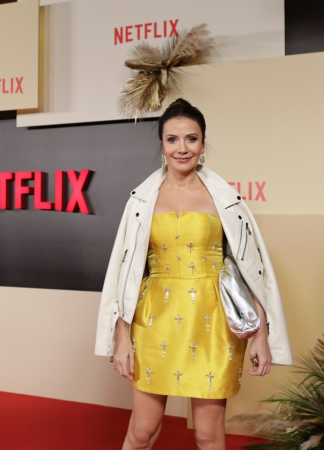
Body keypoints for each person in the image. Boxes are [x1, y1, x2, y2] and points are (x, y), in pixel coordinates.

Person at [95, 99, 292, 450]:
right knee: (141, 433)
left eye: (191, 139)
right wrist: (121, 338)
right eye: (172, 139)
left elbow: (250, 271)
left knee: (207, 435)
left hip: (213, 324)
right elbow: (126, 276)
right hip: (153, 321)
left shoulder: (227, 200)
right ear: (161, 145)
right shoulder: (141, 201)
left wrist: (261, 334)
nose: (182, 148)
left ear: (203, 143)